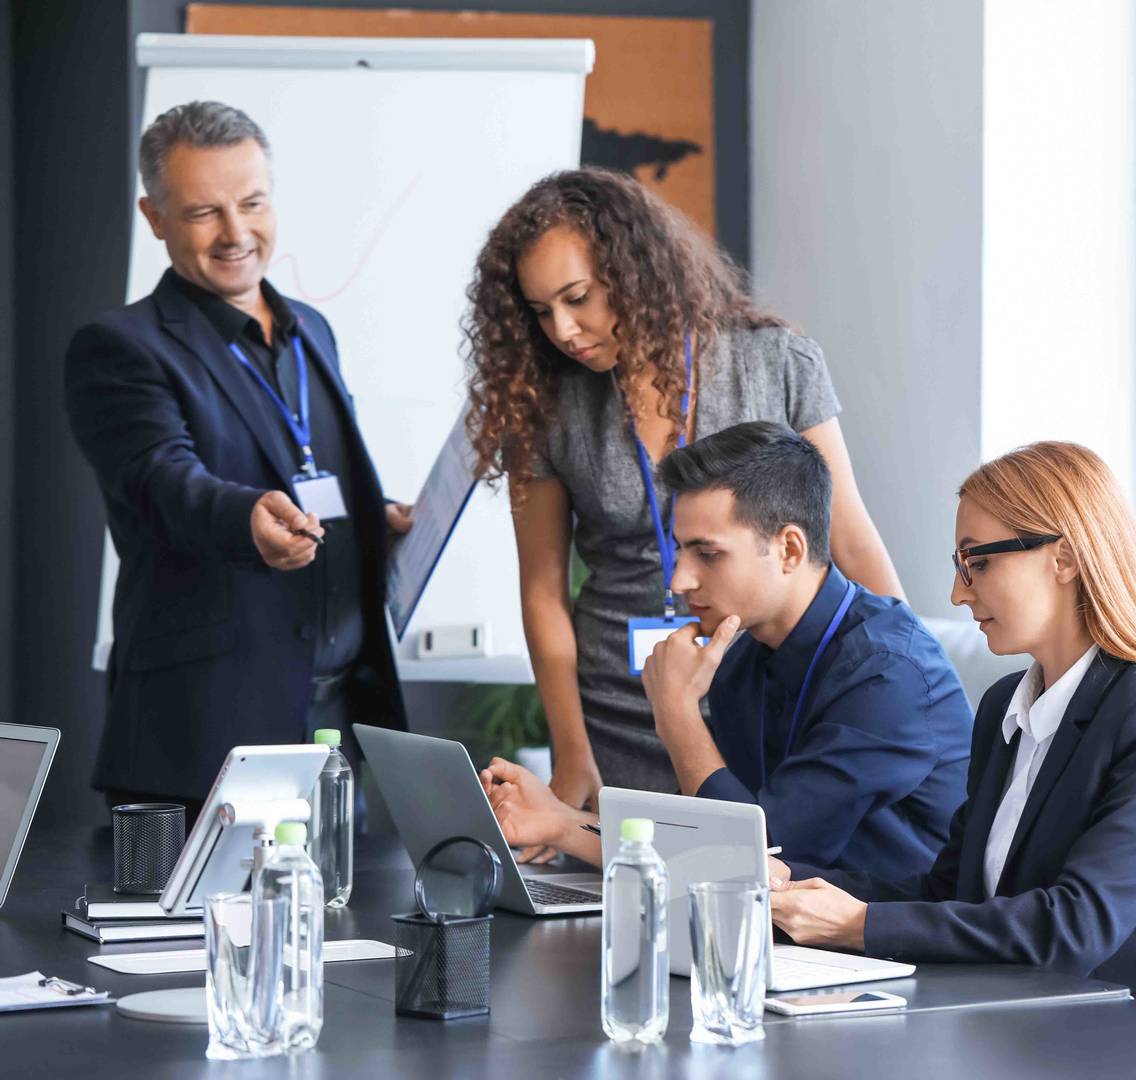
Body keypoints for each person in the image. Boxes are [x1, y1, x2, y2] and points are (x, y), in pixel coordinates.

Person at [465, 168, 904, 805]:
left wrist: (912, 678)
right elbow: (542, 591)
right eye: (540, 311)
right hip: (618, 703)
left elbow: (848, 536)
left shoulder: (775, 361)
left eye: (578, 297)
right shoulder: (545, 405)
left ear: (633, 269)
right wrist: (572, 750)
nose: (561, 329)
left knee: (769, 872)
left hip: (769, 691)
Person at [768, 442, 1136, 1007]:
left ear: (1064, 558)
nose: (958, 593)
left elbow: (1077, 926)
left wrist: (861, 924)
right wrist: (789, 884)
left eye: (978, 562)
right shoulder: (1001, 708)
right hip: (1015, 1013)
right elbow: (950, 892)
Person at [63, 101, 411, 821]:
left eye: (252, 203)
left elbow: (307, 469)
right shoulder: (120, 346)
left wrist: (369, 524)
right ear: (154, 216)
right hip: (203, 736)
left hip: (338, 722)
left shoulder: (310, 328)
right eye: (202, 213)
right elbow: (163, 479)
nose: (236, 233)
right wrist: (245, 519)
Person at [481, 422, 972, 880]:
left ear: (790, 550)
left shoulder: (888, 674)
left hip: (905, 958)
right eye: (678, 551)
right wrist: (559, 823)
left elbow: (753, 857)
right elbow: (698, 843)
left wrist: (676, 714)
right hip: (785, 938)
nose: (678, 580)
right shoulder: (741, 657)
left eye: (708, 554)